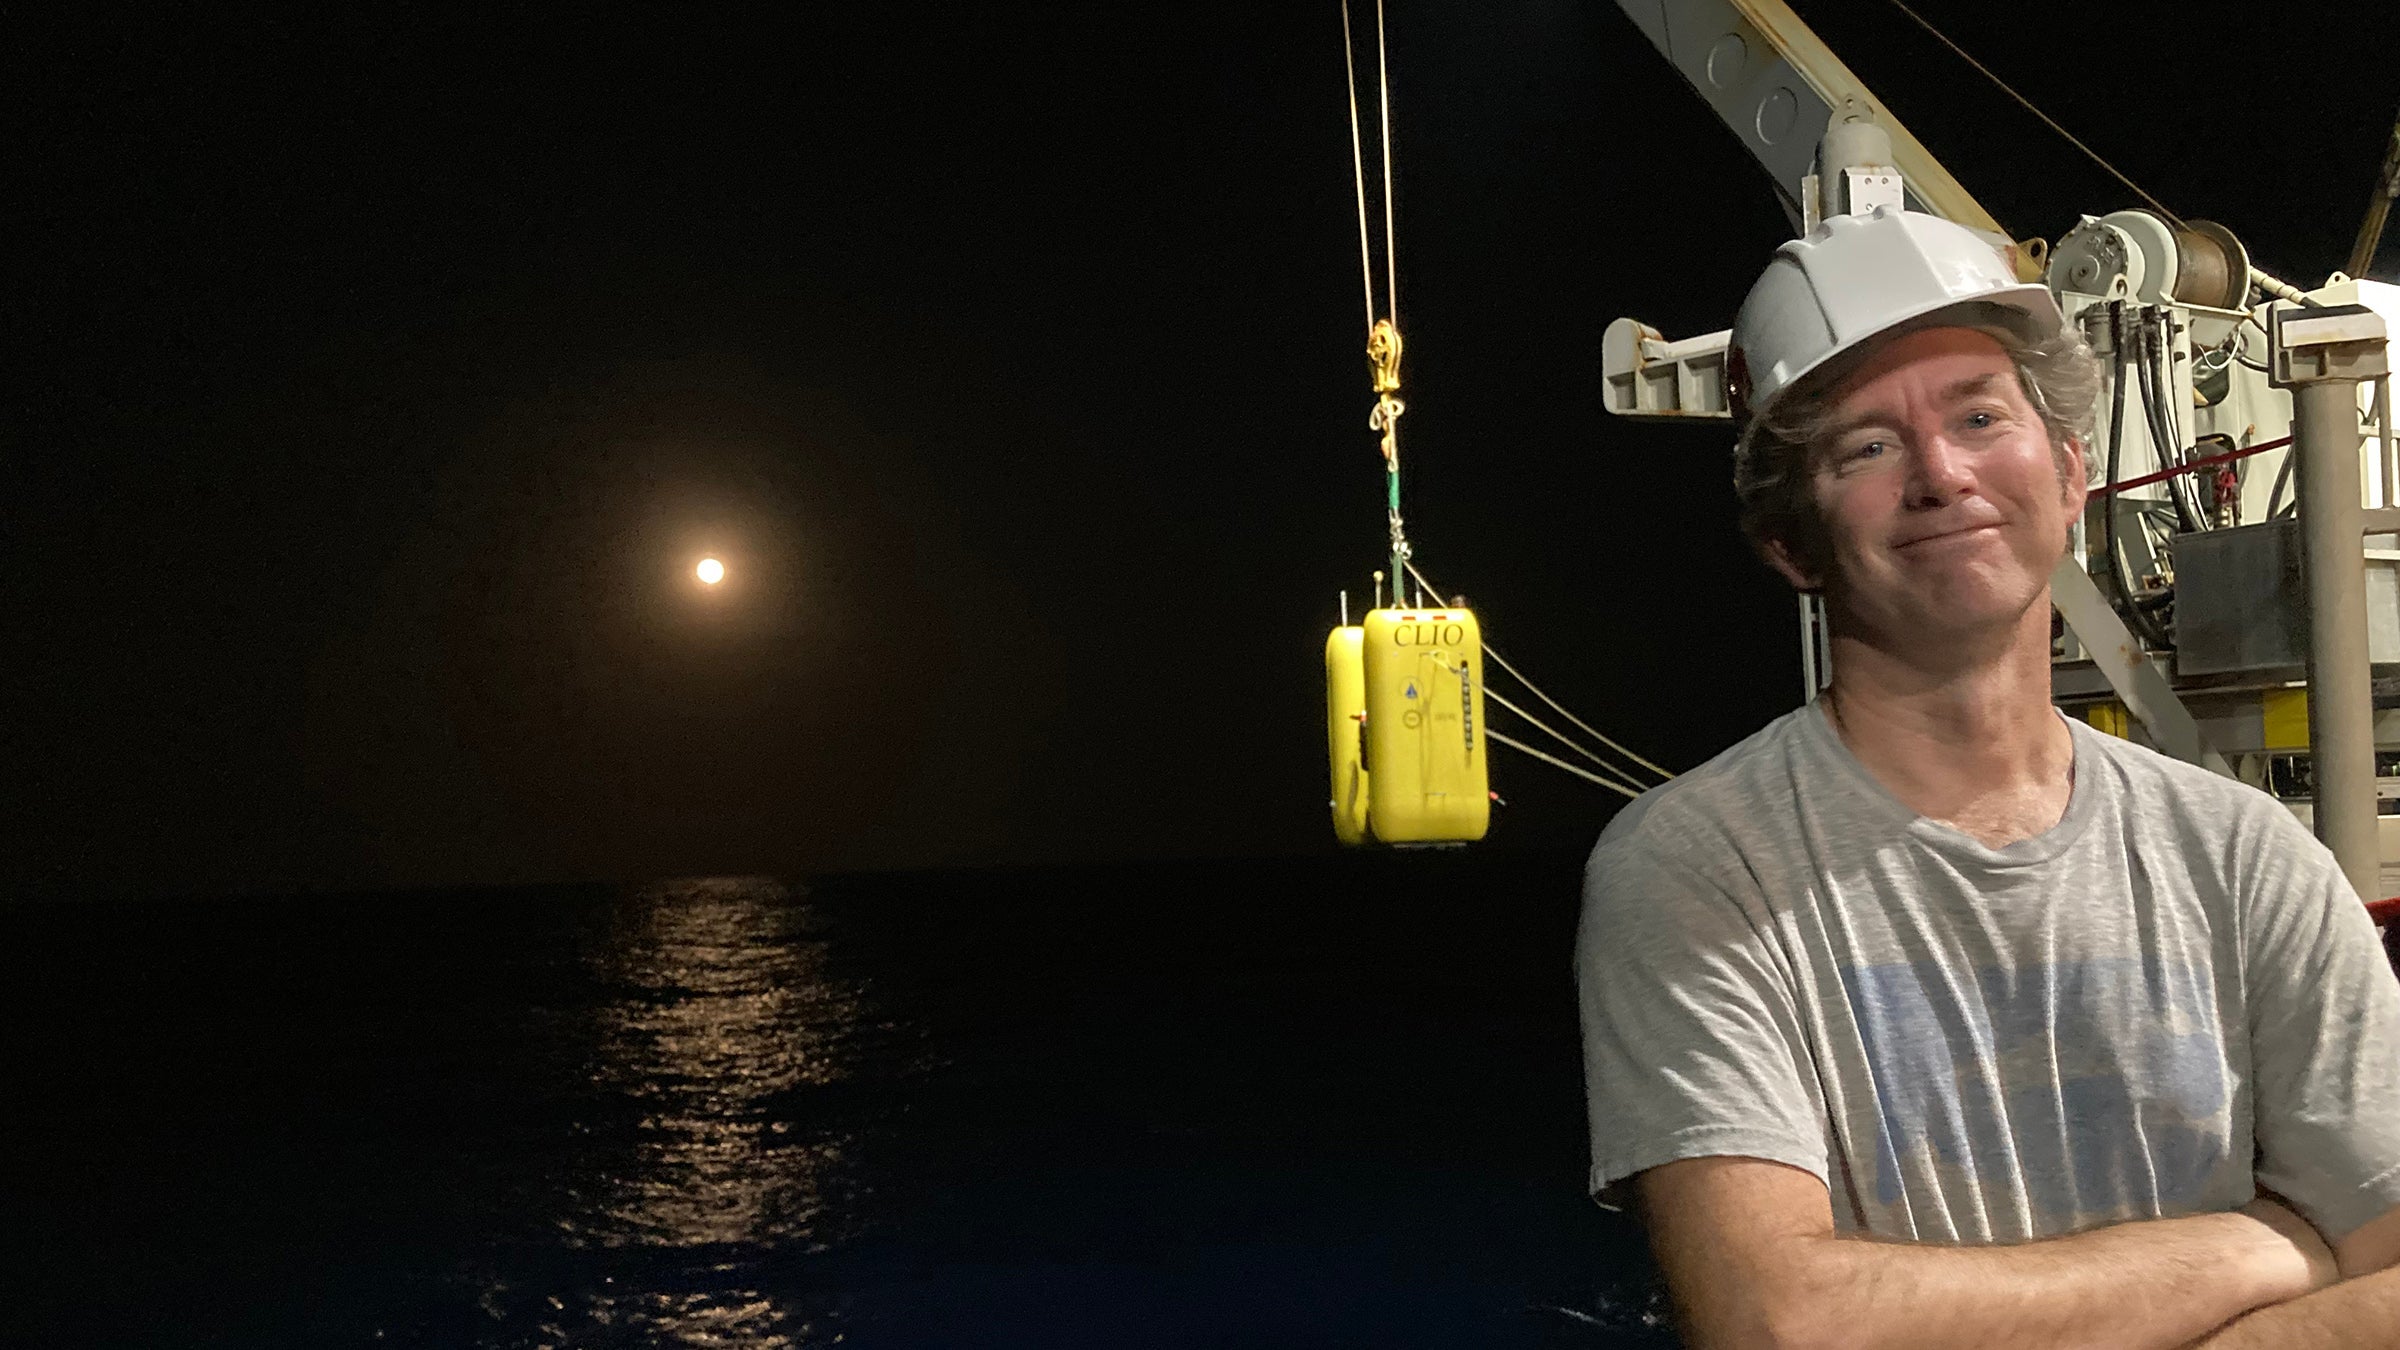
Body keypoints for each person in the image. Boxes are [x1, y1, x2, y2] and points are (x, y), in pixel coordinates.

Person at [1575, 207, 2400, 1350]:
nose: (1940, 474)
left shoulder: (2245, 855)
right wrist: (2262, 1247)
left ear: (2070, 476)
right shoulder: (1699, 869)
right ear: (1791, 545)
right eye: (1865, 446)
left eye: (1979, 416)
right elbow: (1782, 1322)